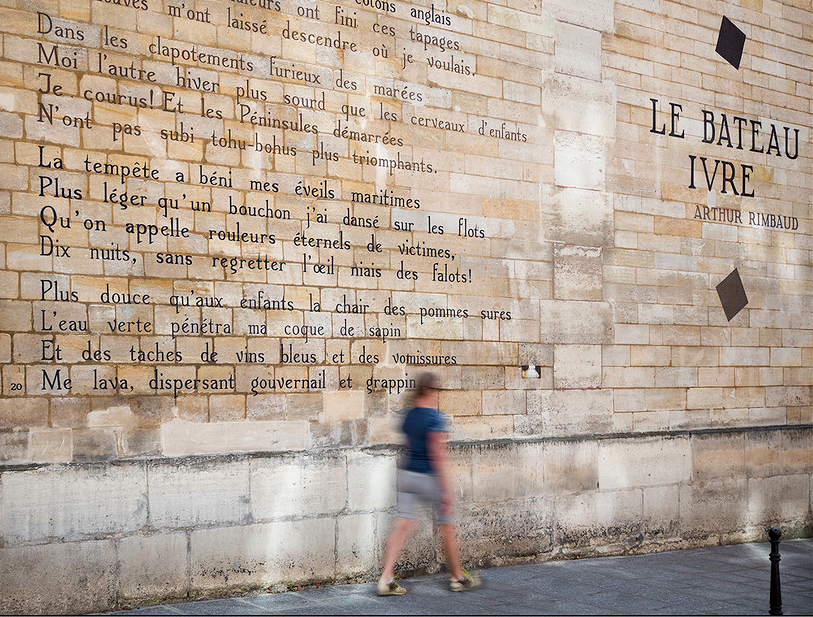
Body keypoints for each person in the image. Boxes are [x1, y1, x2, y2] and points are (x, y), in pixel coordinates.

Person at [377, 372, 481, 595]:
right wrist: (446, 490)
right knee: (447, 525)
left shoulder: (407, 415)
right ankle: (457, 577)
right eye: (436, 391)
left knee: (401, 526)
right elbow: (438, 455)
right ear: (430, 391)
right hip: (429, 477)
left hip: (406, 476)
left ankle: (386, 578)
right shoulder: (434, 418)